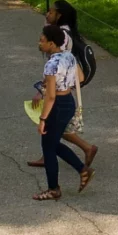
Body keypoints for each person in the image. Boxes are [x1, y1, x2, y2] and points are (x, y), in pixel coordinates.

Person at [32, 0, 98, 169]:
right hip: (65, 85)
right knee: (57, 127)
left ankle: (86, 150)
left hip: (62, 88)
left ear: (59, 15)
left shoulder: (62, 37)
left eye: (51, 12)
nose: (48, 14)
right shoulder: (63, 32)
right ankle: (49, 155)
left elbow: (58, 66)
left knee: (55, 127)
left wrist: (43, 89)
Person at [31, 23, 92, 201]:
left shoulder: (50, 65)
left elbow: (50, 97)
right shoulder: (69, 56)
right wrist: (64, 82)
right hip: (68, 102)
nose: (39, 43)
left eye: (42, 41)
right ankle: (83, 170)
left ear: (51, 43)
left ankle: (53, 188)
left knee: (48, 147)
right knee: (52, 143)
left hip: (56, 105)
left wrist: (42, 119)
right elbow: (80, 78)